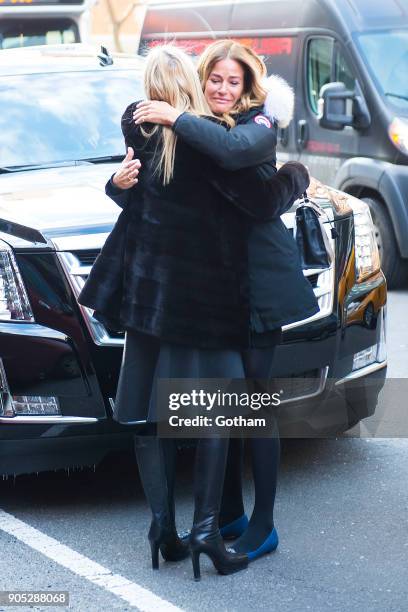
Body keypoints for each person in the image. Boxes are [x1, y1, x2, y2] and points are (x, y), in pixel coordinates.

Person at [83, 44, 315, 579]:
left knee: (252, 409)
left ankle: (262, 522)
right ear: (198, 79)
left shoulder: (253, 126)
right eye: (215, 78)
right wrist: (117, 182)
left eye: (233, 82)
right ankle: (225, 518)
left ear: (250, 87)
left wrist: (295, 172)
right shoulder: (196, 131)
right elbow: (164, 204)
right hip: (218, 294)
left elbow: (235, 166)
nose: (222, 89)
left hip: (259, 291)